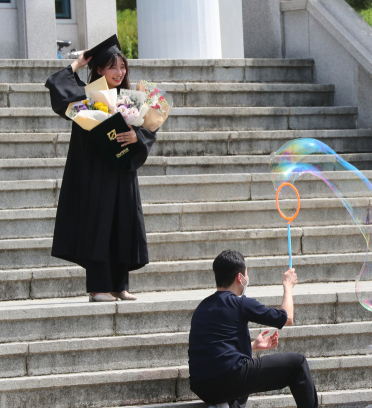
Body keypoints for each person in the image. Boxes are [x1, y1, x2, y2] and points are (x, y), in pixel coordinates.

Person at [45, 35, 157, 302]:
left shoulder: (130, 99)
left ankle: (120, 286)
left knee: (123, 224)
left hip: (123, 173)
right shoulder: (87, 97)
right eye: (112, 67)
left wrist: (136, 137)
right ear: (98, 69)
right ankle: (98, 288)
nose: (119, 72)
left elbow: (148, 130)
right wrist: (77, 63)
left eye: (122, 67)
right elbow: (57, 86)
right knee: (99, 225)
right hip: (95, 174)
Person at [188, 250, 318, 408]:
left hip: (202, 387)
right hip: (229, 378)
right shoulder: (240, 303)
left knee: (243, 366)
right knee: (298, 364)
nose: (247, 279)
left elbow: (214, 350)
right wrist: (288, 286)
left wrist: (253, 346)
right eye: (246, 274)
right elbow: (287, 318)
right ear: (240, 277)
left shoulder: (201, 308)